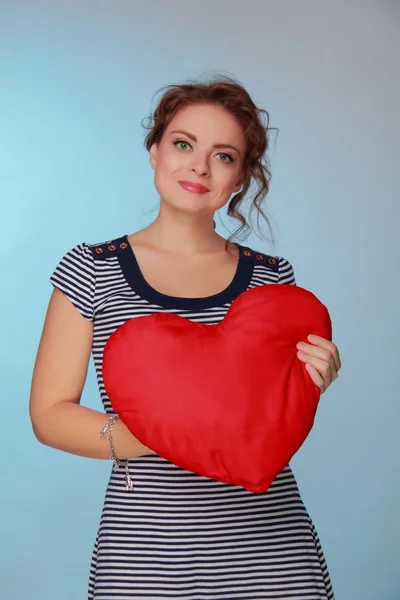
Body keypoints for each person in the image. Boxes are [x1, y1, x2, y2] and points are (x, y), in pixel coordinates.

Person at [29, 75, 341, 599]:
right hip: (145, 558)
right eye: (183, 144)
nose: (198, 166)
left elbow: (269, 405)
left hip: (273, 555)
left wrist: (315, 375)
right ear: (154, 151)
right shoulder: (91, 269)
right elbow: (49, 414)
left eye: (223, 156)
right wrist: (163, 432)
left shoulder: (274, 279)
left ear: (241, 177)